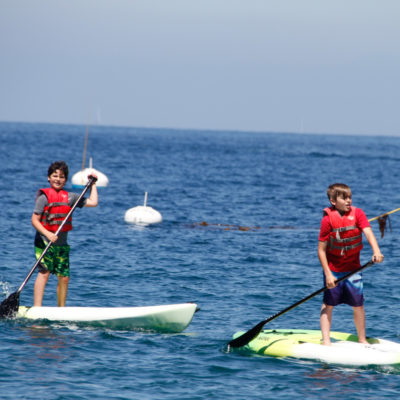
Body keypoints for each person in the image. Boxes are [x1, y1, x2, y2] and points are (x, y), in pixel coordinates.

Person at [318, 183, 384, 345]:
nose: (349, 201)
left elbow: (368, 232)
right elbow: (321, 250)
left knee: (358, 305)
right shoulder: (327, 220)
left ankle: (362, 340)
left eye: (350, 197)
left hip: (354, 270)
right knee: (328, 304)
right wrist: (328, 274)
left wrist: (376, 251)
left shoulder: (358, 213)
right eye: (344, 198)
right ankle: (326, 340)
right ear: (333, 201)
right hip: (334, 271)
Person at [32, 161, 98, 307]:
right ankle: (37, 307)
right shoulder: (44, 198)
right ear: (48, 178)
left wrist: (93, 184)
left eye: (61, 177)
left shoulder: (71, 198)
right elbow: (35, 220)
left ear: (66, 180)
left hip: (61, 244)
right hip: (44, 241)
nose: (58, 179)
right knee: (44, 273)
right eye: (54, 176)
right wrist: (48, 234)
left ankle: (61, 309)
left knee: (64, 277)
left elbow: (93, 202)